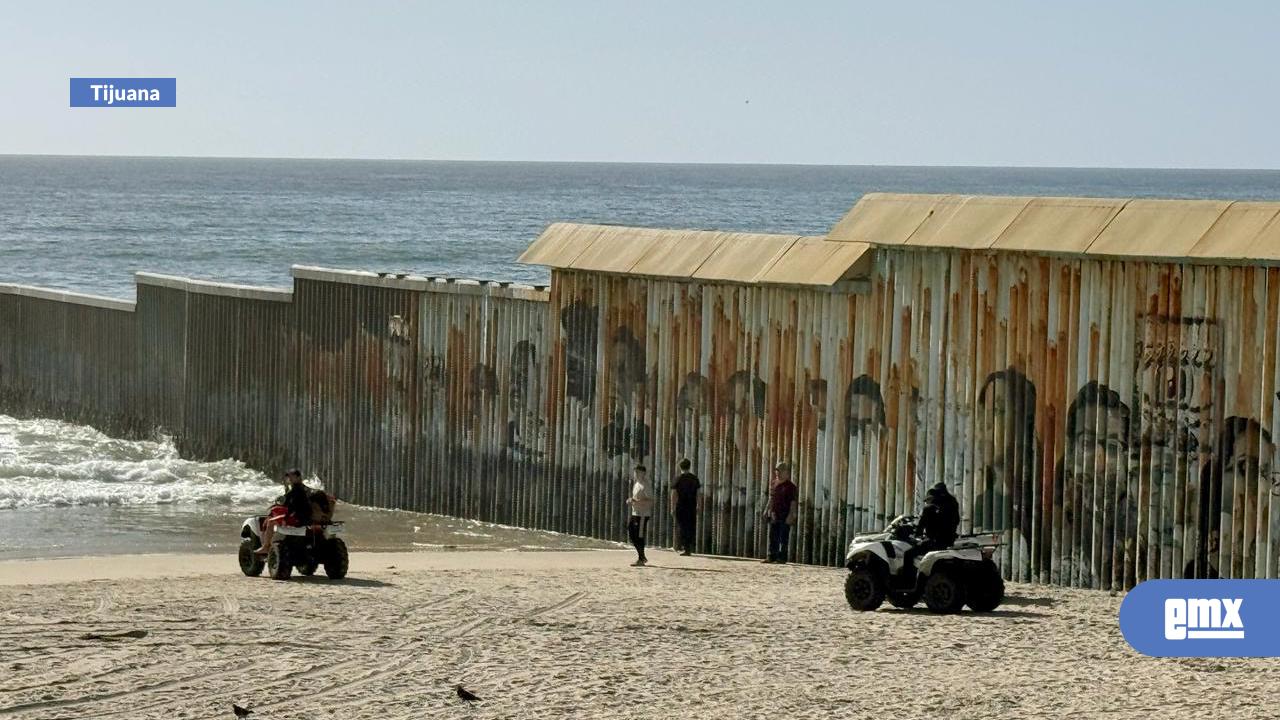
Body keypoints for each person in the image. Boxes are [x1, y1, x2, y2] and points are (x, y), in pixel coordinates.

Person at [901, 481, 961, 580]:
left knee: (908, 554)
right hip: (949, 540)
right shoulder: (953, 503)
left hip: (934, 542)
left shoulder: (929, 509)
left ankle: (907, 580)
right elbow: (957, 521)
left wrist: (916, 534)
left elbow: (920, 527)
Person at [255, 469, 315, 555]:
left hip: (297, 517)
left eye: (292, 476)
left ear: (298, 477)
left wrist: (285, 517)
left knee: (270, 522)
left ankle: (266, 547)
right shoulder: (303, 488)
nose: (289, 478)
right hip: (304, 517)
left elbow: (290, 506)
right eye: (288, 477)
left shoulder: (296, 489)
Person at [763, 461, 798, 563]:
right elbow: (771, 498)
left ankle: (782, 558)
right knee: (773, 535)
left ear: (786, 472)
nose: (777, 473)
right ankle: (771, 556)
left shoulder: (791, 486)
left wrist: (791, 515)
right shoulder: (774, 483)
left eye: (780, 471)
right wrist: (766, 510)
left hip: (785, 514)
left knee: (783, 537)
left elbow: (793, 502)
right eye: (776, 470)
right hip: (774, 514)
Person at [670, 458, 702, 556]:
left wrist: (672, 507)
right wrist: (699, 505)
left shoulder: (678, 479)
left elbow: (674, 494)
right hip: (691, 505)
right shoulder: (694, 478)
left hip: (681, 505)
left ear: (680, 467)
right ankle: (688, 548)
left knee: (682, 526)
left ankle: (684, 547)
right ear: (689, 466)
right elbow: (698, 493)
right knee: (690, 526)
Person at [625, 464, 654, 567]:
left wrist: (636, 501)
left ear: (643, 473)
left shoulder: (645, 485)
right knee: (631, 532)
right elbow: (635, 498)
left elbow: (650, 500)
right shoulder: (636, 484)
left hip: (642, 514)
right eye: (635, 472)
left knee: (639, 535)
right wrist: (630, 500)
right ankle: (642, 557)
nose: (636, 474)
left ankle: (641, 558)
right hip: (635, 513)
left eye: (638, 472)